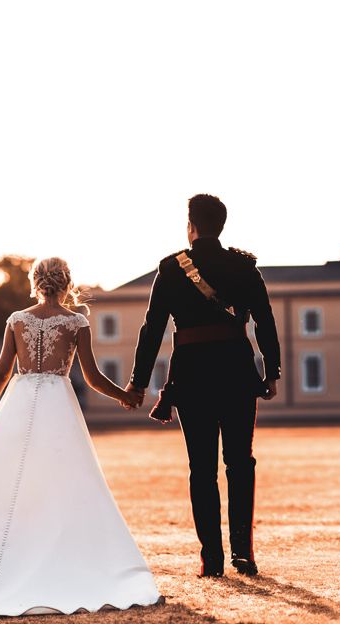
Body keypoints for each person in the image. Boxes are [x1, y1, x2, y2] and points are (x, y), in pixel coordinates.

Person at [0, 258, 163, 618]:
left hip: (18, 401)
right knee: (64, 482)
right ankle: (53, 554)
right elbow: (90, 376)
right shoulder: (77, 322)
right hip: (58, 403)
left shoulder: (17, 319)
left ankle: (8, 554)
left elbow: (1, 372)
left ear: (36, 282)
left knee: (6, 480)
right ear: (66, 283)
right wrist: (124, 395)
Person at [126, 194, 281, 578]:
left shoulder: (171, 268)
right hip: (237, 373)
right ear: (221, 226)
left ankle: (211, 558)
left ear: (191, 226)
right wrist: (272, 371)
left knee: (202, 470)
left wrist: (139, 382)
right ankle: (243, 552)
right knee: (240, 464)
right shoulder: (244, 267)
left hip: (191, 377)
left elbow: (153, 329)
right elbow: (264, 320)